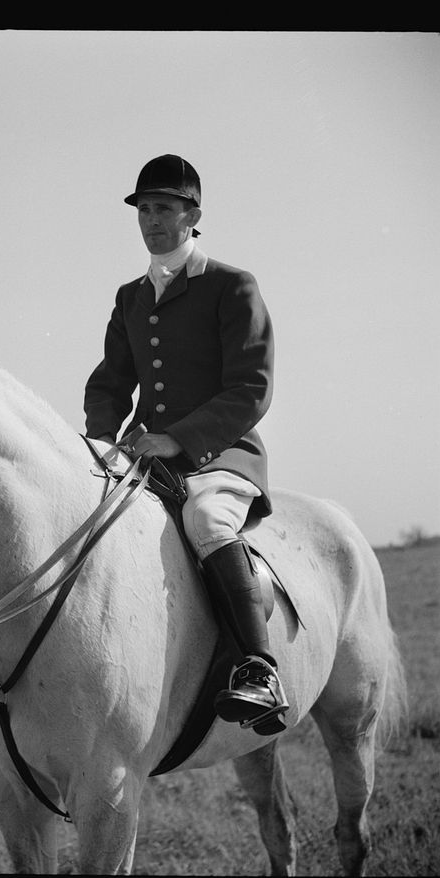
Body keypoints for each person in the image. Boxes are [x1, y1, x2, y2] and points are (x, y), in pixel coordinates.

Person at [84, 154, 288, 735]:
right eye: (144, 209)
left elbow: (251, 387)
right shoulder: (130, 297)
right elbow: (110, 383)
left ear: (192, 214)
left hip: (221, 453)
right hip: (144, 451)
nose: (152, 219)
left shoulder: (231, 285)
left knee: (205, 520)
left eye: (165, 208)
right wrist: (101, 443)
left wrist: (178, 438)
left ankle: (259, 668)